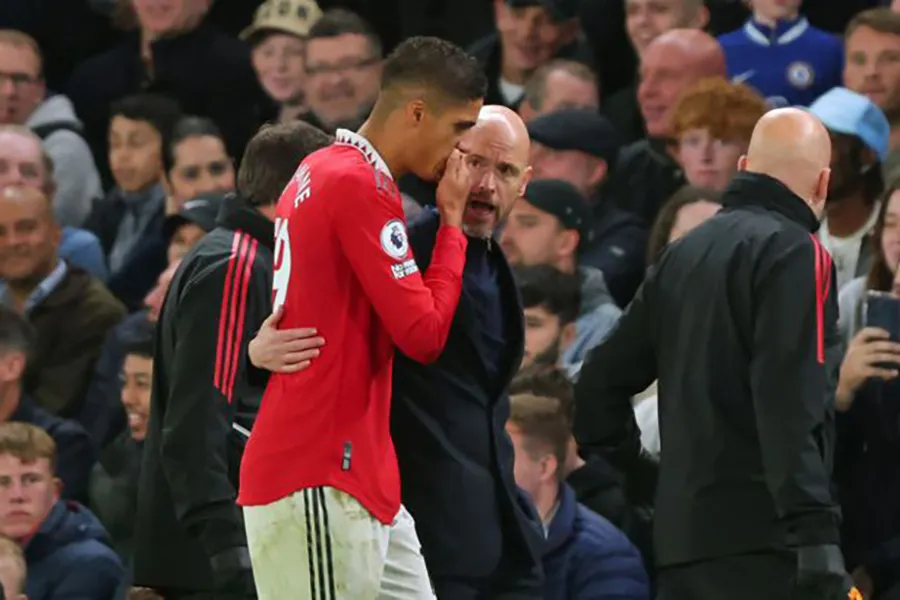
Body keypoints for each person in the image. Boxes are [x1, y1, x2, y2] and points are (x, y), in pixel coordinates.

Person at [249, 104, 546, 598]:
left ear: (524, 182)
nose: (486, 185)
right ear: (446, 160)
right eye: (474, 162)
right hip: (418, 522)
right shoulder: (408, 246)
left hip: (497, 532)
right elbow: (324, 315)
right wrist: (255, 351)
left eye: (505, 171)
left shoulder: (496, 264)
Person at [238, 36, 486, 599]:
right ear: (416, 112)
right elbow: (423, 334)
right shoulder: (358, 184)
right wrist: (451, 226)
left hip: (360, 473)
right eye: (458, 128)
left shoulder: (319, 168)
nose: (459, 151)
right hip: (319, 470)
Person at [574, 108, 856, 599]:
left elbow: (596, 388)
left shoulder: (682, 253)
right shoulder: (799, 252)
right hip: (768, 545)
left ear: (744, 166)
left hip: (680, 547)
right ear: (823, 183)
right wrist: (815, 532)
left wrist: (644, 474)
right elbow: (790, 402)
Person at [132, 122, 331, 598]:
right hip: (211, 564)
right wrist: (229, 552)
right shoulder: (236, 265)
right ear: (300, 189)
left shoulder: (254, 257)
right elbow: (195, 424)